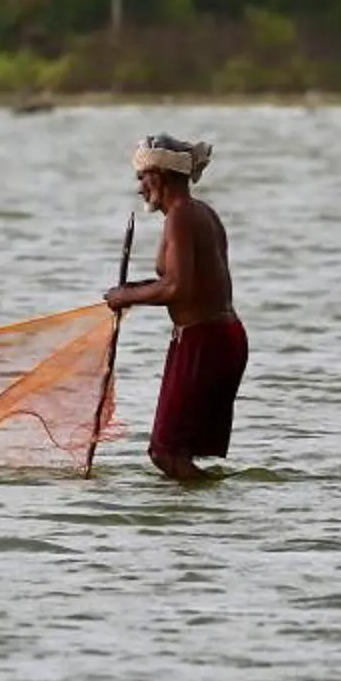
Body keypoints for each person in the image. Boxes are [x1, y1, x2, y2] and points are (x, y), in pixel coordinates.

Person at [103, 134, 246, 482]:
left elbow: (177, 287)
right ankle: (209, 510)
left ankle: (203, 524)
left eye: (142, 177)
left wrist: (126, 298)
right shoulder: (200, 213)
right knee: (173, 453)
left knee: (165, 453)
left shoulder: (181, 217)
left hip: (205, 340)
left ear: (159, 176)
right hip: (217, 337)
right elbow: (190, 283)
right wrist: (131, 290)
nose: (139, 187)